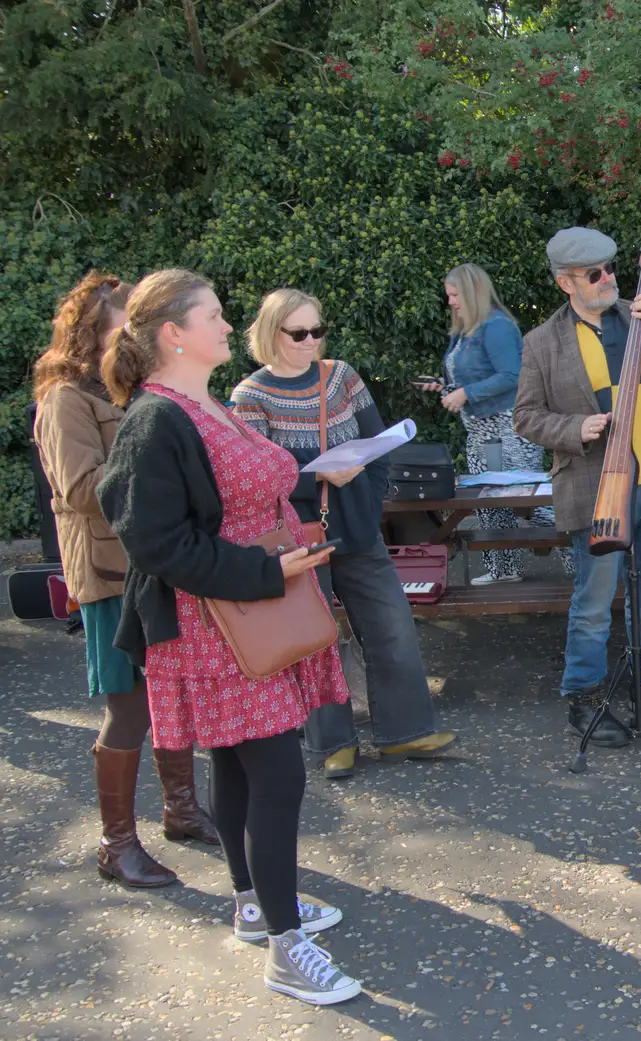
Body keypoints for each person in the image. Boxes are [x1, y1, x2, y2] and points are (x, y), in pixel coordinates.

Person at [97, 269, 360, 1004]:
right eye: (211, 316)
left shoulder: (203, 402)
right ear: (172, 334)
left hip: (243, 611)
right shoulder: (156, 418)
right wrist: (264, 569)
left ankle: (254, 904)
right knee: (280, 774)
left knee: (244, 769)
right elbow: (153, 542)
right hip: (212, 624)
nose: (225, 324)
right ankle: (284, 946)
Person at [32, 271, 218, 889]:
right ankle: (116, 846)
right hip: (111, 576)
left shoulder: (129, 391)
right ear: (94, 332)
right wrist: (152, 462)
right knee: (130, 706)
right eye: (122, 326)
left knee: (171, 695)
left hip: (152, 566)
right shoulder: (65, 399)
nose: (133, 337)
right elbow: (82, 490)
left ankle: (182, 811)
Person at [232, 288, 457, 780]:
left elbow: (378, 446)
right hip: (296, 538)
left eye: (318, 330)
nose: (311, 340)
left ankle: (405, 733)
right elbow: (253, 477)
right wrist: (317, 477)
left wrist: (368, 504)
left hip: (357, 529)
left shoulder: (341, 377)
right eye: (299, 333)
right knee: (316, 640)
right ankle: (333, 742)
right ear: (272, 334)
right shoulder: (250, 397)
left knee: (391, 626)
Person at [513, 227, 641, 746]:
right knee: (595, 599)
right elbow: (526, 417)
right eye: (594, 273)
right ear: (565, 283)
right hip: (595, 485)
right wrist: (573, 429)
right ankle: (584, 700)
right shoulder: (542, 343)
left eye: (610, 268)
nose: (608, 279)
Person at [420, 263, 570, 584]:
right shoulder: (466, 331)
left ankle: (583, 563)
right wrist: (445, 387)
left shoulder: (497, 326)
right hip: (481, 430)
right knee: (488, 501)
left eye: (455, 294)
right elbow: (475, 376)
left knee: (528, 500)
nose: (450, 302)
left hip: (510, 427)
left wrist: (465, 393)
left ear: (473, 292)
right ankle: (504, 569)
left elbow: (512, 375)